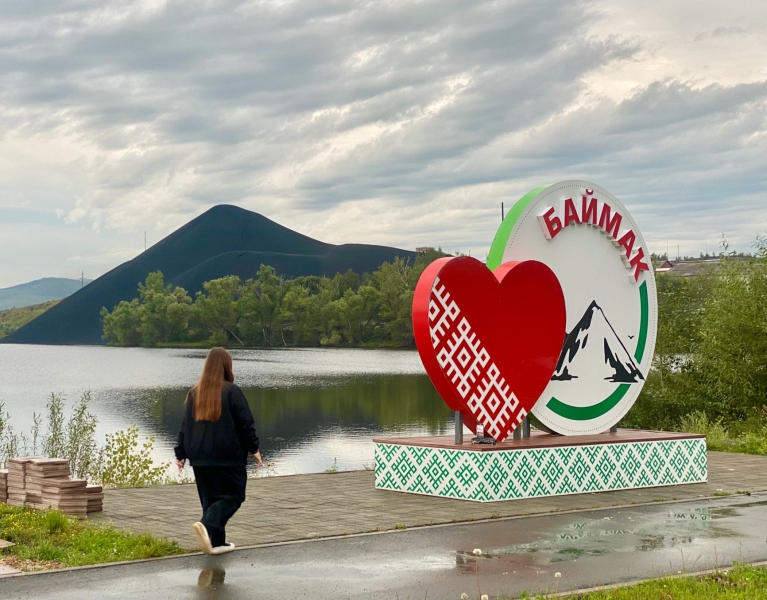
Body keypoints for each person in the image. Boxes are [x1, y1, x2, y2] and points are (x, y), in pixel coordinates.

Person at [174, 347, 263, 554]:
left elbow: (185, 426)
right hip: (227, 457)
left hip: (200, 458)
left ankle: (216, 543)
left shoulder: (195, 393)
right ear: (226, 366)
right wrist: (254, 448)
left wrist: (181, 454)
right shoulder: (231, 391)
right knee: (234, 496)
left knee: (211, 500)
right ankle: (207, 525)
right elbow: (245, 424)